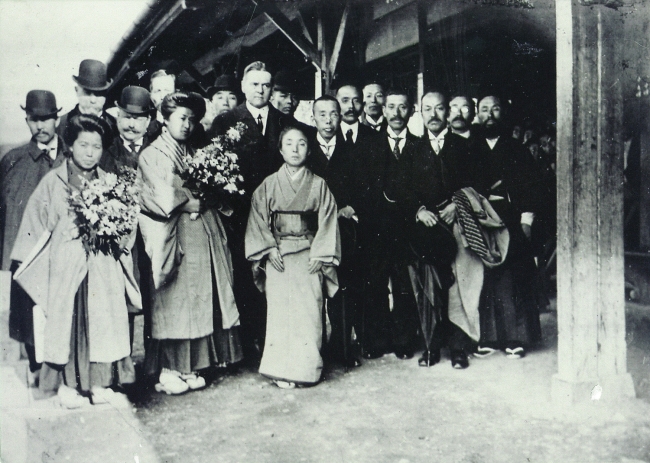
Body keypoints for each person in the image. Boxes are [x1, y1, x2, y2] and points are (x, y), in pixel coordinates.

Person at [11, 114, 138, 408]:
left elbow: (126, 227)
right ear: (70, 145)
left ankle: (100, 383)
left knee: (104, 323)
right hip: (67, 268)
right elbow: (35, 223)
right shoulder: (53, 182)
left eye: (96, 146)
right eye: (83, 145)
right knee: (68, 324)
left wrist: (114, 233)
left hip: (102, 268)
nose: (90, 152)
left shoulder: (110, 182)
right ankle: (69, 386)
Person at [138, 92, 242, 395]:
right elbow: (156, 195)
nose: (187, 124)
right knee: (173, 300)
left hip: (199, 233)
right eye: (181, 118)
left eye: (191, 119)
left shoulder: (193, 150)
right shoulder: (152, 154)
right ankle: (170, 369)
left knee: (197, 299)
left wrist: (209, 193)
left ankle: (192, 366)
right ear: (164, 119)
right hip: (171, 234)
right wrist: (187, 201)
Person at [245, 126, 340, 388]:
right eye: (289, 144)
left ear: (309, 150)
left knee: (309, 311)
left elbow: (328, 221)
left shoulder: (319, 185)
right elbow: (258, 220)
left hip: (310, 255)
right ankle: (279, 369)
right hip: (279, 256)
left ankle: (307, 368)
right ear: (280, 149)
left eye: (301, 144)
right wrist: (268, 249)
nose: (295, 149)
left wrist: (321, 254)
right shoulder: (268, 185)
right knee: (279, 312)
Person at [210, 61, 290, 361]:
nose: (261, 89)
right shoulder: (226, 121)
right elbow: (214, 169)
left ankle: (275, 339)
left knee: (277, 276)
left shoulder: (285, 122)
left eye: (266, 84)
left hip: (278, 214)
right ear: (243, 87)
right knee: (246, 277)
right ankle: (249, 344)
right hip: (241, 216)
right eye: (255, 84)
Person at [470, 94, 542, 359]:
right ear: (477, 114)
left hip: (511, 219)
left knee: (513, 278)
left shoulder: (517, 149)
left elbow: (531, 188)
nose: (489, 115)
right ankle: (486, 337)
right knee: (484, 277)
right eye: (484, 110)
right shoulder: (470, 147)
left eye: (495, 109)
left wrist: (526, 222)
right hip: (479, 219)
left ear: (503, 114)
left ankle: (515, 337)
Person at [1, 90, 66, 379]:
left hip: (65, 253)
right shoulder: (13, 161)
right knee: (30, 320)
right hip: (27, 257)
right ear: (27, 120)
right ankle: (36, 371)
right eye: (33, 120)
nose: (40, 126)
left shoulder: (71, 155)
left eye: (46, 119)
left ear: (57, 118)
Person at [411, 90, 478, 368]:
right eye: (428, 109)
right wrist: (419, 210)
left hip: (458, 224)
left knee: (458, 286)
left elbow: (477, 184)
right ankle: (431, 346)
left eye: (440, 109)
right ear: (421, 113)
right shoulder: (413, 149)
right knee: (428, 285)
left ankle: (459, 348)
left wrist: (457, 205)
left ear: (447, 113)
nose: (434, 114)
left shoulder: (463, 147)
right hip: (426, 227)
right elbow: (402, 188)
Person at [361, 89, 422, 360]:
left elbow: (425, 188)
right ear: (383, 111)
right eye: (391, 107)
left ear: (411, 111)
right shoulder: (368, 145)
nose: (396, 113)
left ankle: (404, 340)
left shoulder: (420, 147)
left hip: (408, 229)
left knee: (404, 284)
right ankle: (377, 340)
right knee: (375, 284)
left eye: (403, 107)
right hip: (376, 228)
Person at [307, 95, 363, 368]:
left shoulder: (351, 150)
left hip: (343, 232)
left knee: (343, 289)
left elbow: (362, 190)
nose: (328, 120)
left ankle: (341, 348)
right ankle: (314, 348)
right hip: (312, 232)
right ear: (313, 118)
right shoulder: (305, 152)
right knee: (314, 289)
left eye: (333, 115)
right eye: (322, 114)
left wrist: (348, 207)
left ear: (340, 117)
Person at [56, 59, 116, 140]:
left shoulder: (116, 126)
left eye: (98, 93)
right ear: (77, 91)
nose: (93, 100)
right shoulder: (61, 125)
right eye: (87, 93)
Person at [100, 86, 153, 172]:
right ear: (118, 116)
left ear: (148, 121)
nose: (131, 125)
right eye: (127, 117)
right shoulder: (105, 152)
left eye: (137, 119)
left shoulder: (155, 150)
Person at [270, 70, 316, 139]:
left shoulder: (308, 132)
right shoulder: (263, 127)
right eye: (283, 96)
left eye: (294, 97)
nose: (290, 101)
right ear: (271, 97)